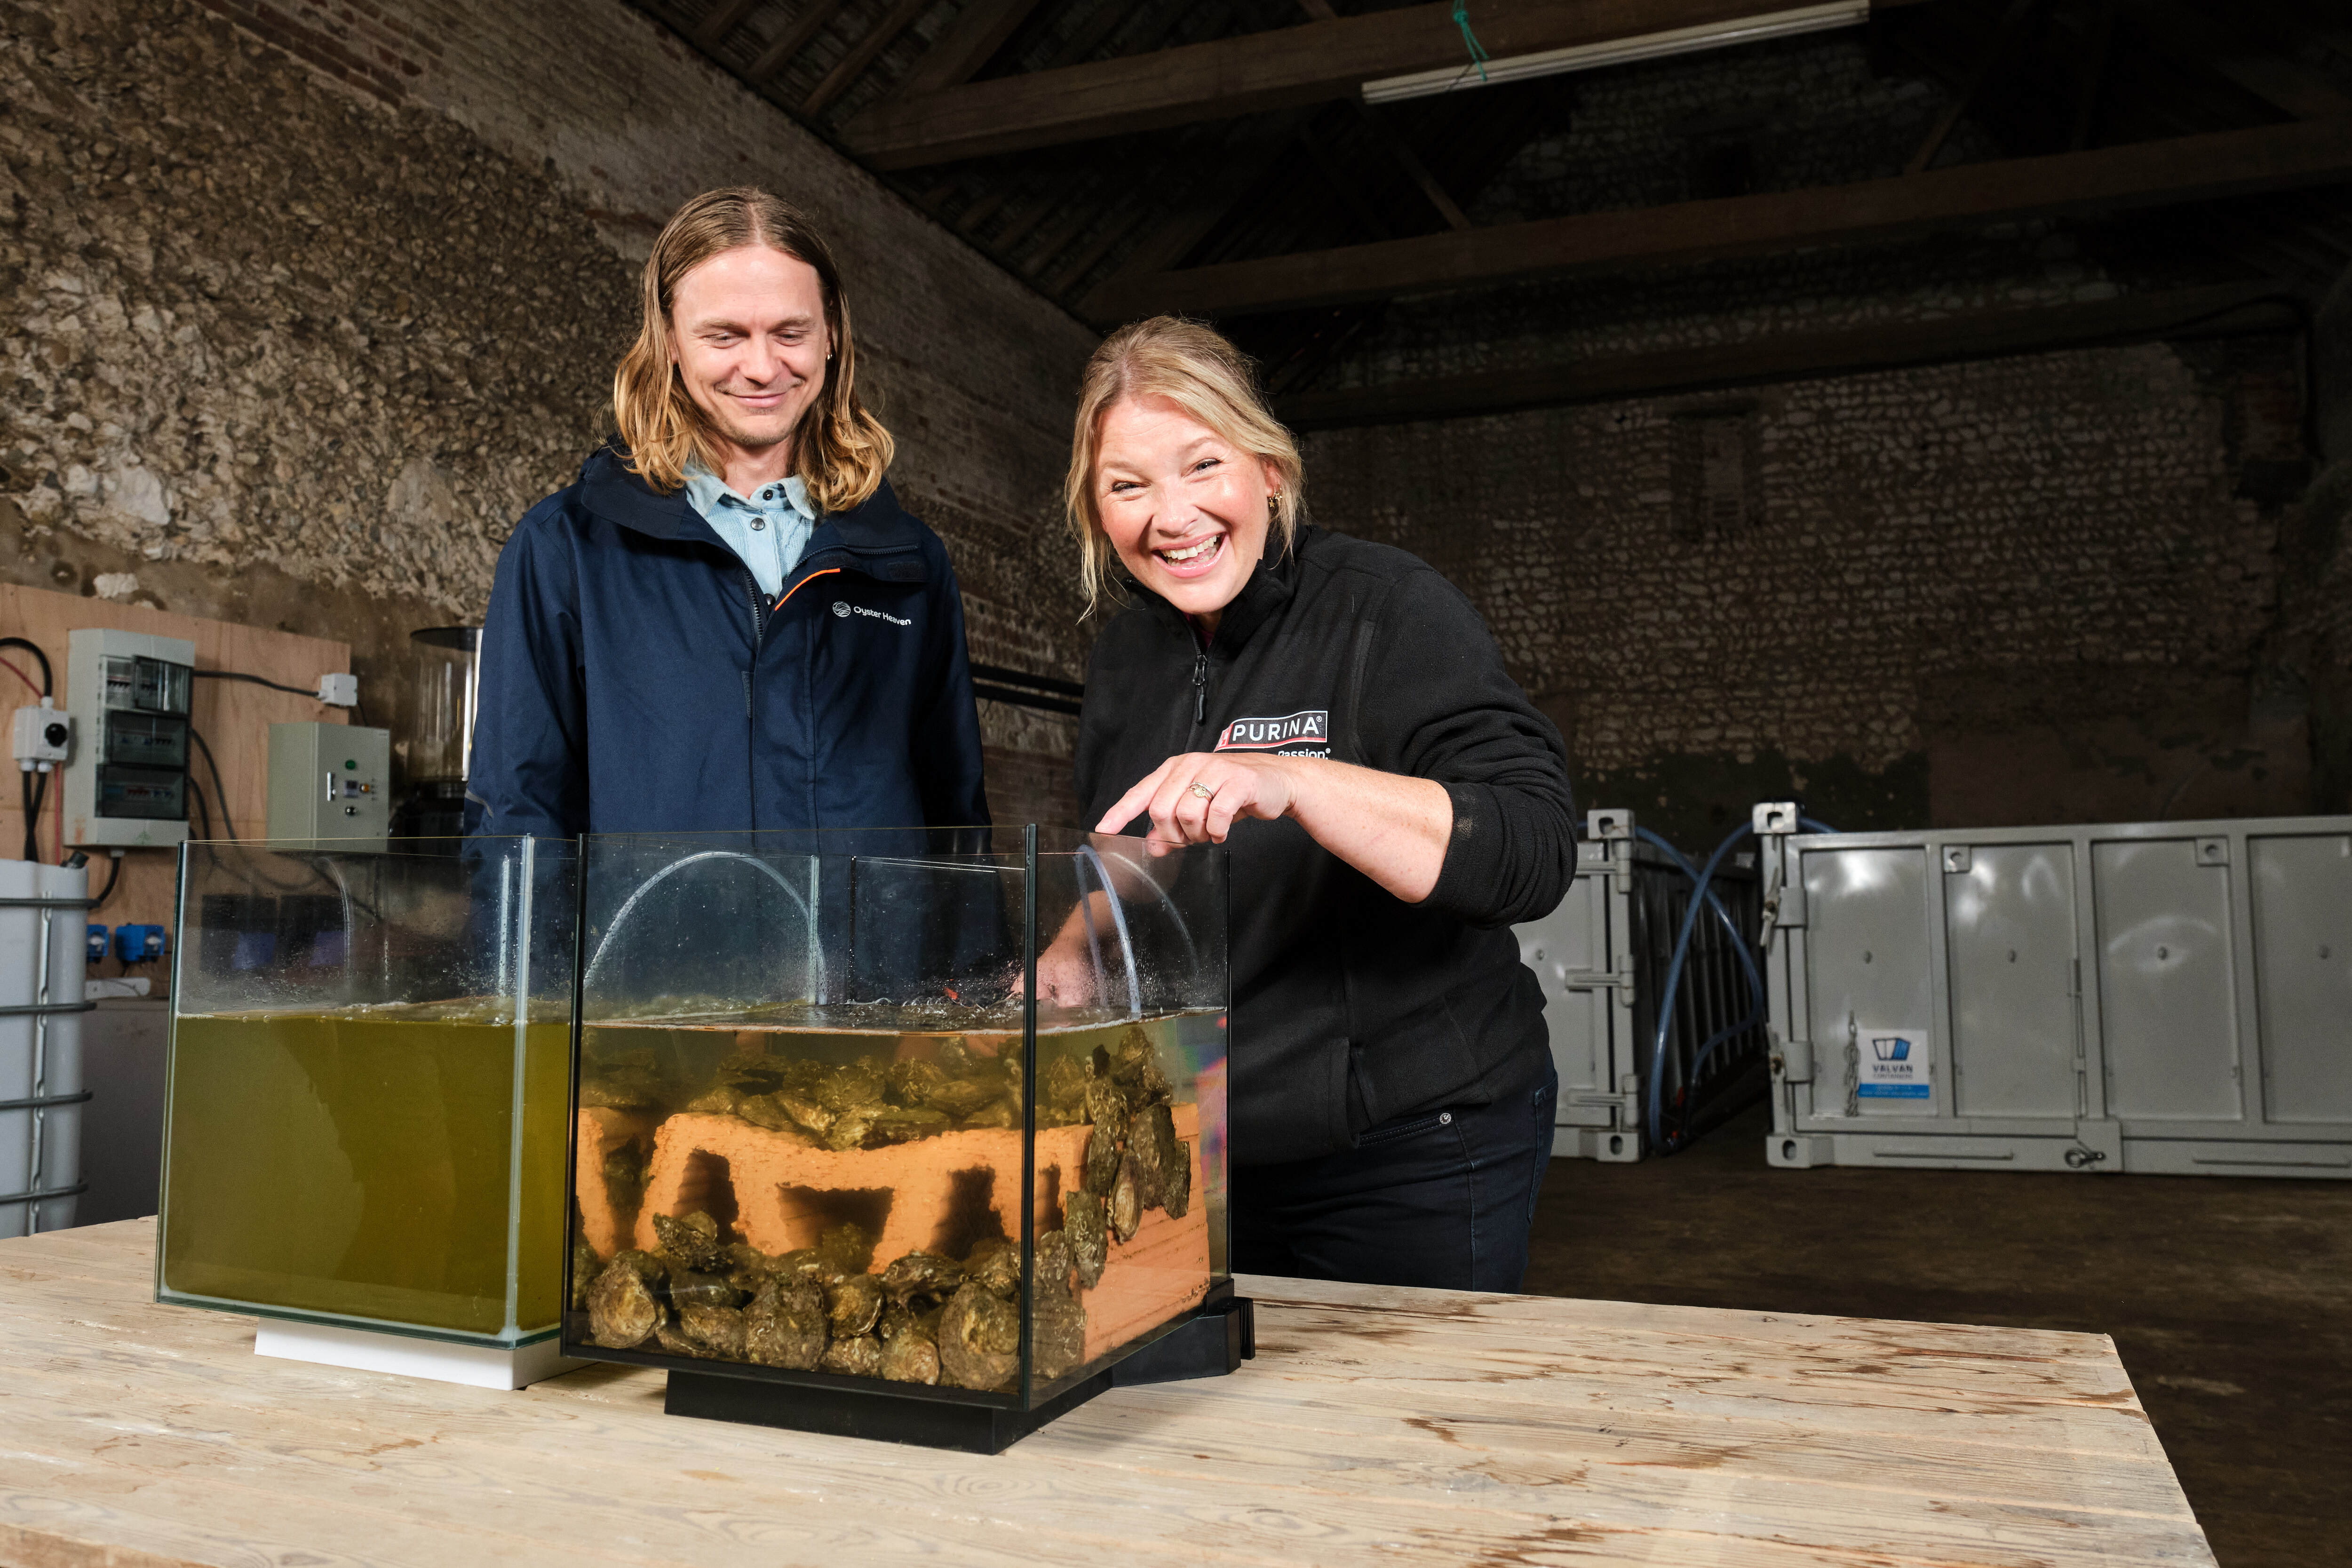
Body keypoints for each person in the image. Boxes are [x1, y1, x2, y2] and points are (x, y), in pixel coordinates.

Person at [1052, 317, 1577, 1293]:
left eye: (1202, 464)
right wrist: (1072, 950)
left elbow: (1532, 849)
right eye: (1127, 485)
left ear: (1269, 471)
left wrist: (1296, 781)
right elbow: (1134, 841)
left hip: (1411, 1142)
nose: (1171, 515)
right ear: (1097, 512)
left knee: (1398, 1397)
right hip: (1206, 1138)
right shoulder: (1126, 654)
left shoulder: (1387, 606)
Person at [467, 189, 988, 838]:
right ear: (670, 342)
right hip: (656, 915)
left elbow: (956, 821)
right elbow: (519, 816)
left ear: (831, 335)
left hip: (867, 916)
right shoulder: (567, 548)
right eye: (724, 336)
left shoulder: (907, 560)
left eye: (790, 333)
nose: (763, 368)